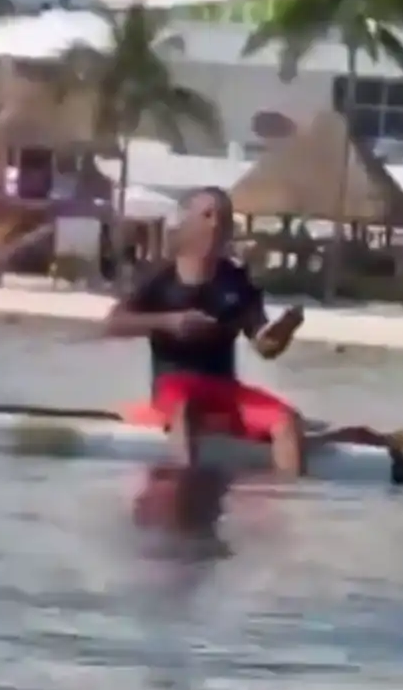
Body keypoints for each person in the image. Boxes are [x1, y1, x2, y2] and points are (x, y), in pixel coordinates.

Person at [103, 186, 310, 478]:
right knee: (185, 408)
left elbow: (264, 347)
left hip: (223, 387)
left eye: (223, 219)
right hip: (174, 385)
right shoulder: (159, 276)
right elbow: (113, 323)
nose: (215, 224)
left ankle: (289, 501)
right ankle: (181, 494)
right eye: (207, 215)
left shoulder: (238, 281)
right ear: (186, 223)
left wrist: (283, 333)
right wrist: (170, 322)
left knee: (287, 420)